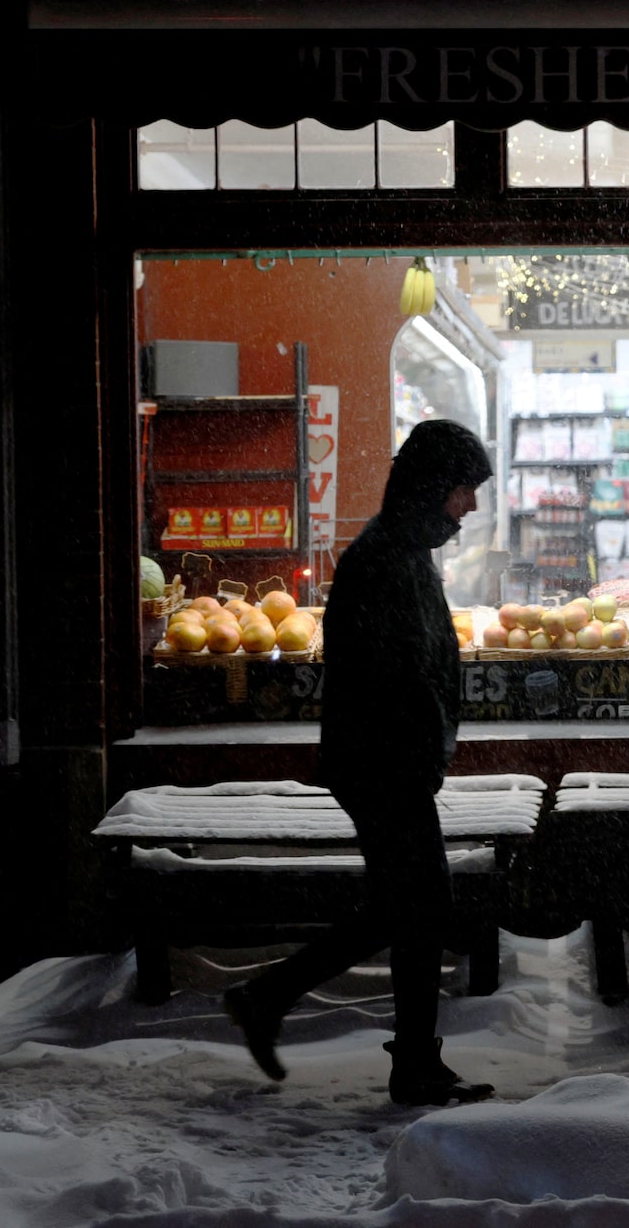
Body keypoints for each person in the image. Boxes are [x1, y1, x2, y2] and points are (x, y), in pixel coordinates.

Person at [224, 418, 496, 1107]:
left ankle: (270, 999)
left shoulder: (401, 550)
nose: (470, 506)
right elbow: (392, 674)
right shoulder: (384, 558)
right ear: (435, 485)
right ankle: (412, 1065)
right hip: (381, 764)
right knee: (423, 904)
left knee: (401, 907)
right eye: (466, 490)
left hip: (385, 760)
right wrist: (420, 748)